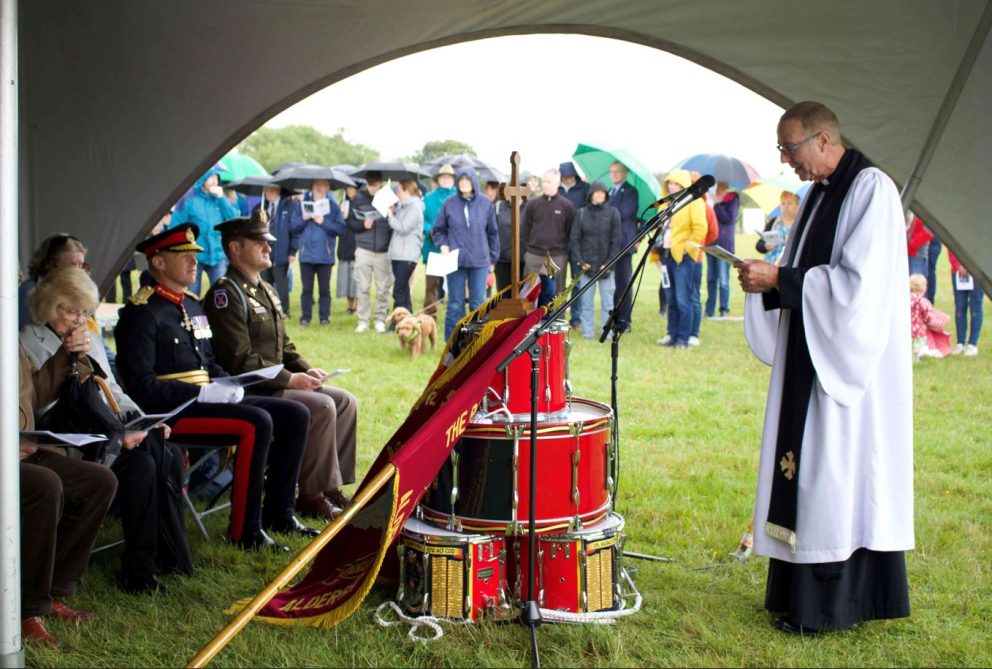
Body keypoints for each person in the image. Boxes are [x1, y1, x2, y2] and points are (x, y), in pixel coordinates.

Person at [737, 101, 913, 634]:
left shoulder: (872, 190)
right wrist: (769, 277)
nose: (786, 161)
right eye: (781, 151)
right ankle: (795, 596)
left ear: (822, 139)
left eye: (790, 149)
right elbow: (804, 268)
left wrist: (782, 282)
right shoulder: (816, 195)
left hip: (845, 360)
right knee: (807, 473)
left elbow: (858, 288)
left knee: (835, 478)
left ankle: (832, 605)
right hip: (810, 347)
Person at [114, 223, 315, 552]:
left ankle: (279, 513)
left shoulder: (192, 305)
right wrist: (200, 393)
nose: (194, 262)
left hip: (208, 399)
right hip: (170, 413)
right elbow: (141, 386)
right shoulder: (141, 313)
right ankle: (245, 531)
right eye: (184, 255)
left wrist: (230, 384)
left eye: (195, 255)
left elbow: (208, 362)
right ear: (158, 263)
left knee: (295, 413)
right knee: (256, 422)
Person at [21, 267, 190, 593]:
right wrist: (67, 357)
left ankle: (149, 563)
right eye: (70, 309)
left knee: (155, 454)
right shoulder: (27, 342)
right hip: (65, 439)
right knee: (144, 459)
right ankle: (145, 565)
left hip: (105, 432)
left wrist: (141, 419)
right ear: (49, 306)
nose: (78, 319)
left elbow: (111, 389)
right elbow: (37, 408)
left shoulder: (90, 337)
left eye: (84, 310)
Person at [205, 214, 359, 519]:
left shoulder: (265, 290)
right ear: (235, 249)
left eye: (267, 241)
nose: (267, 246)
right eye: (259, 241)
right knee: (323, 406)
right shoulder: (226, 294)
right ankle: (311, 495)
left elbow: (284, 347)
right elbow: (239, 360)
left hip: (276, 382)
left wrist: (308, 370)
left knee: (345, 400)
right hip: (250, 390)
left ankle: (330, 487)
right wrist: (290, 380)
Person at [18, 345, 118, 648]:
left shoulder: (9, 339)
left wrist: (67, 355)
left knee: (99, 481)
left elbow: (33, 394)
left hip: (21, 449)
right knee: (45, 485)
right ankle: (27, 610)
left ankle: (53, 593)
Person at [431, 166, 499, 341]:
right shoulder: (449, 203)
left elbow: (493, 233)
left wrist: (492, 258)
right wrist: (443, 245)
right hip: (455, 260)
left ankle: (477, 341)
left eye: (467, 180)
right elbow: (438, 230)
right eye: (461, 180)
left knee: (477, 303)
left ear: (473, 182)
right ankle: (452, 342)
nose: (464, 184)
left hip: (480, 261)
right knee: (455, 303)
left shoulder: (485, 204)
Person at [169, 168, 240, 295]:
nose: (214, 181)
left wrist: (222, 198)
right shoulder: (188, 199)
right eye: (211, 177)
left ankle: (220, 315)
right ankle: (193, 314)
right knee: (193, 292)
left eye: (216, 177)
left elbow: (234, 219)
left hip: (218, 255)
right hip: (194, 255)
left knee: (221, 291)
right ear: (203, 178)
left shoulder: (220, 198)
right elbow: (175, 226)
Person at [658, 170, 707, 349]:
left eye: (677, 184)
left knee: (683, 299)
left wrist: (687, 249)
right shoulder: (663, 205)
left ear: (684, 186)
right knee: (670, 298)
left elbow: (700, 229)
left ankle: (683, 339)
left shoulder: (695, 203)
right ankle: (672, 334)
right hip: (666, 256)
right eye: (670, 183)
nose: (673, 186)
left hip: (683, 258)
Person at [569, 181, 621, 339]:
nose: (599, 194)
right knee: (586, 303)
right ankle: (588, 333)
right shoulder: (581, 213)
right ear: (591, 194)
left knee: (608, 303)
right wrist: (581, 262)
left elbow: (616, 240)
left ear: (606, 194)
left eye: (602, 192)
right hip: (586, 266)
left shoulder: (613, 213)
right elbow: (574, 239)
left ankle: (608, 333)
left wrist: (610, 263)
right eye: (596, 192)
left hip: (607, 266)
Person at [295, 178, 346, 326]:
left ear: (328, 188)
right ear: (311, 187)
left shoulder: (334, 207)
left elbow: (340, 229)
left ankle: (324, 318)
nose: (319, 188)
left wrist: (323, 222)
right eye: (317, 185)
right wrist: (304, 219)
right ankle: (305, 318)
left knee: (325, 290)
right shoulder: (302, 205)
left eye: (323, 185)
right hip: (306, 255)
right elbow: (293, 226)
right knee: (306, 290)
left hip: (325, 255)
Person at [347, 171, 394, 333]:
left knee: (383, 288)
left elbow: (396, 224)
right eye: (370, 185)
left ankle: (380, 318)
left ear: (381, 183)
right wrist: (363, 225)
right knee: (363, 286)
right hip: (363, 249)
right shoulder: (358, 199)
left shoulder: (389, 197)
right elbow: (351, 223)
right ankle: (363, 320)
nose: (372, 188)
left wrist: (391, 213)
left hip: (383, 250)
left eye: (375, 185)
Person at [19, 233, 89, 329]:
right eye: (72, 265)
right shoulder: (30, 291)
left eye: (80, 265)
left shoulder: (78, 291)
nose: (78, 271)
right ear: (50, 265)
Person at [521, 168, 574, 295]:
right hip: (534, 255)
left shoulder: (566, 206)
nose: (545, 184)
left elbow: (570, 231)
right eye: (543, 181)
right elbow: (525, 229)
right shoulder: (532, 204)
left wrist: (560, 250)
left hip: (555, 256)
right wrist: (531, 248)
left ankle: (555, 316)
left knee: (552, 295)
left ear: (558, 183)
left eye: (549, 182)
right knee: (529, 294)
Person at [257, 184, 302, 315]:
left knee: (281, 282)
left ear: (277, 191)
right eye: (265, 191)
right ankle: (267, 307)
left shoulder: (289, 206)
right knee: (265, 280)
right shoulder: (262, 207)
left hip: (281, 250)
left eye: (270, 191)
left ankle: (284, 310)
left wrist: (292, 251)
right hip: (265, 250)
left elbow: (294, 231)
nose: (267, 194)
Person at [607, 161, 640, 330]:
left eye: (617, 171)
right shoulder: (609, 191)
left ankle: (624, 320)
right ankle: (614, 316)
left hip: (624, 244)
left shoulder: (630, 192)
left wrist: (605, 211)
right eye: (611, 171)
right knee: (610, 285)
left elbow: (623, 213)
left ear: (625, 173)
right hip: (610, 243)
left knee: (624, 283)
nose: (614, 174)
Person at [559, 160, 591, 329]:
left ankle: (576, 317)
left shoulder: (585, 190)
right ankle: (558, 314)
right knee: (559, 282)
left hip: (578, 242)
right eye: (565, 178)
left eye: (570, 177)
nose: (568, 180)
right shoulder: (556, 190)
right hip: (560, 243)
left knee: (577, 281)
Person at [421, 164, 456, 316]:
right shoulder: (428, 198)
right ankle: (430, 315)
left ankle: (455, 315)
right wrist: (429, 230)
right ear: (439, 179)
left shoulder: (459, 197)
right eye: (444, 177)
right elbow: (422, 219)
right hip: (433, 246)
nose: (447, 180)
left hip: (454, 247)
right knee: (431, 285)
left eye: (449, 177)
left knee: (455, 284)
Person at [386, 180, 425, 313]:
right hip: (398, 253)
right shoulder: (402, 207)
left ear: (406, 191)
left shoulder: (415, 208)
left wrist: (391, 216)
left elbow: (403, 228)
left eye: (398, 191)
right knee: (404, 289)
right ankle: (408, 318)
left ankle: (396, 320)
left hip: (407, 254)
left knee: (399, 290)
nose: (396, 194)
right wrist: (394, 212)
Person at [705, 182, 740, 318]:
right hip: (711, 244)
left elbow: (729, 218)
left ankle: (724, 308)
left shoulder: (732, 198)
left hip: (725, 246)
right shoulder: (711, 198)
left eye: (721, 184)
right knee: (711, 279)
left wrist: (717, 204)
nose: (718, 186)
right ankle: (709, 310)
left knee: (723, 279)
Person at [485, 180, 523, 292]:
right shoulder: (498, 207)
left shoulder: (528, 207)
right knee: (503, 293)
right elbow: (490, 232)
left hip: (522, 260)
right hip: (502, 259)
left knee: (522, 294)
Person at [948, 250, 984, 356]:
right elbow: (951, 247)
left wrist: (972, 267)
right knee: (960, 306)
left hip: (977, 272)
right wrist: (958, 265)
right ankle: (960, 342)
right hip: (958, 273)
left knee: (975, 307)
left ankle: (972, 344)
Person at [908, 273, 950, 360]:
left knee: (909, 347)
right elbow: (929, 318)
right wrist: (942, 321)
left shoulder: (904, 299)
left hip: (907, 331)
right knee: (919, 346)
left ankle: (913, 356)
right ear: (924, 287)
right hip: (919, 332)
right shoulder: (923, 302)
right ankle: (919, 355)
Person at [756, 191, 799, 266]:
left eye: (789, 203)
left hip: (791, 266)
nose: (786, 206)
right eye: (783, 203)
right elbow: (759, 245)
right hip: (770, 266)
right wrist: (765, 246)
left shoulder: (800, 223)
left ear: (798, 206)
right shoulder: (773, 222)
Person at [337, 181, 361, 315]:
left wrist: (348, 217)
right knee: (345, 276)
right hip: (343, 242)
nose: (350, 191)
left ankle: (356, 305)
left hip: (355, 242)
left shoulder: (359, 203)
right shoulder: (343, 202)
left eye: (352, 189)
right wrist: (341, 215)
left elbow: (359, 223)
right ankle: (349, 305)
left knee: (355, 277)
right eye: (348, 189)